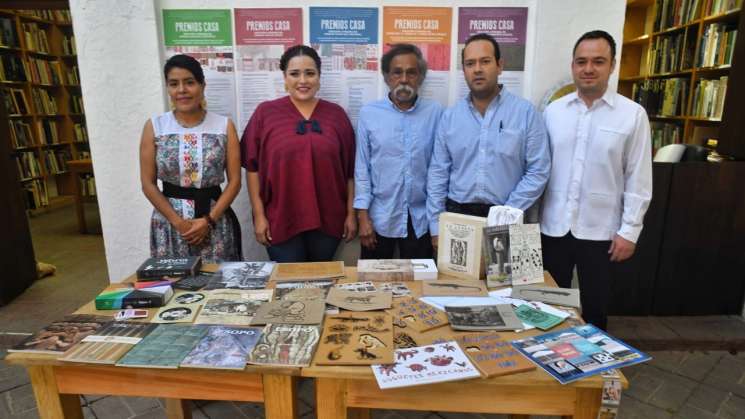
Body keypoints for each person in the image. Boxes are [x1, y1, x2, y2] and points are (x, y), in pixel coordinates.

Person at [540, 30, 653, 330]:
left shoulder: (632, 115)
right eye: (581, 62)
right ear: (573, 66)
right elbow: (538, 170)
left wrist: (630, 231)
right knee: (549, 307)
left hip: (602, 232)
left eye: (598, 61)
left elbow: (638, 177)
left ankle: (595, 372)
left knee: (595, 308)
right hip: (553, 228)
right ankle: (552, 366)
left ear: (612, 65)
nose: (588, 69)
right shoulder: (553, 113)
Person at [427, 33, 550, 246]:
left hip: (509, 217)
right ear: (464, 70)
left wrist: (506, 214)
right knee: (456, 280)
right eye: (470, 63)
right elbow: (438, 173)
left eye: (485, 61)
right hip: (458, 219)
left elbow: (538, 170)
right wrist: (436, 225)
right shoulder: (450, 117)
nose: (477, 69)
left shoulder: (526, 114)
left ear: (500, 65)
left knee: (503, 279)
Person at [241, 45, 356, 262]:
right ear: (284, 77)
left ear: (319, 78)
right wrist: (259, 215)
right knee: (288, 286)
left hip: (329, 219)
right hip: (281, 218)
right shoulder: (265, 113)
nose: (303, 80)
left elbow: (349, 171)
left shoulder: (336, 115)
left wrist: (351, 214)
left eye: (310, 73)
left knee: (320, 283)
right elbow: (252, 168)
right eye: (295, 74)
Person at [140, 54, 242, 263]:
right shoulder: (156, 127)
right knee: (174, 285)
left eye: (189, 82)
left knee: (218, 285)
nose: (182, 90)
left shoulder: (224, 126)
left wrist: (208, 221)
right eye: (174, 84)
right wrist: (178, 223)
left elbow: (235, 182)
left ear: (202, 86)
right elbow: (148, 184)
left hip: (214, 221)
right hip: (169, 224)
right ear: (168, 88)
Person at [354, 44, 443, 259]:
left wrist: (437, 226)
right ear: (386, 76)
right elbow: (362, 169)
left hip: (420, 219)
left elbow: (439, 170)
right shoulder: (369, 114)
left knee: (419, 285)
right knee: (373, 285)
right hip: (379, 217)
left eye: (411, 72)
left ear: (420, 77)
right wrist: (362, 217)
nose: (404, 79)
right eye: (397, 72)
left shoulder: (436, 113)